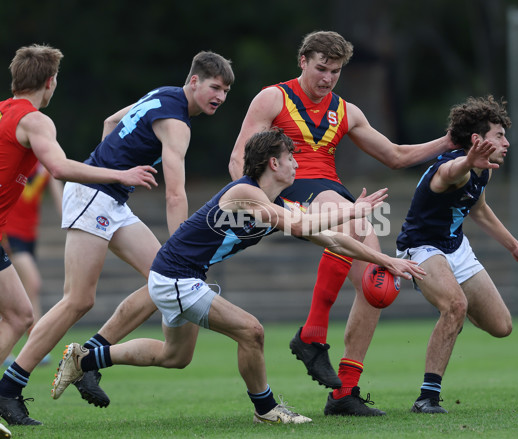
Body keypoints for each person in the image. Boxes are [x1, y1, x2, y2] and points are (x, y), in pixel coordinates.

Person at [50, 128, 425, 425]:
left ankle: (83, 360)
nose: (297, 163)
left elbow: (333, 240)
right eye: (290, 157)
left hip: (180, 277)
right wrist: (353, 210)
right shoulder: (245, 193)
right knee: (252, 330)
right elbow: (298, 222)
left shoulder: (275, 201)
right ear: (272, 164)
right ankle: (266, 409)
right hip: (177, 277)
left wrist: (385, 260)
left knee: (173, 356)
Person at [0, 47, 233, 426]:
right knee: (78, 300)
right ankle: (9, 389)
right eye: (215, 87)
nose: (220, 97)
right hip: (96, 195)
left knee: (164, 278)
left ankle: (88, 357)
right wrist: (117, 173)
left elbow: (111, 122)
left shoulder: (162, 93)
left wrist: (110, 165)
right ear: (193, 82)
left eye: (225, 91)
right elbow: (175, 194)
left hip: (109, 197)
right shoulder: (177, 123)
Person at [227, 30, 454, 416]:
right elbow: (238, 158)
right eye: (321, 68)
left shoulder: (347, 111)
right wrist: (255, 202)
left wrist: (449, 141)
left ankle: (344, 394)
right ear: (303, 61)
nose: (327, 78)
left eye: (335, 71)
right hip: (290, 191)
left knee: (378, 286)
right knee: (351, 220)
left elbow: (397, 156)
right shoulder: (273, 98)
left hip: (333, 193)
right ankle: (312, 335)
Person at [396, 95, 518, 414]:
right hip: (420, 248)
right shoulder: (452, 167)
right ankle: (427, 398)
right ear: (477, 141)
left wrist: (515, 247)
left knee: (502, 326)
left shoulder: (483, 171)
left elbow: (480, 210)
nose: (506, 142)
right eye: (499, 135)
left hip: (455, 248)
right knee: (455, 305)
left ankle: (453, 317)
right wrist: (467, 161)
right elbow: (453, 173)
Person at [1, 162, 63, 367]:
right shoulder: (14, 156)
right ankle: (31, 345)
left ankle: (33, 345)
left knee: (26, 292)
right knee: (32, 283)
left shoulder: (46, 162)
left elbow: (59, 198)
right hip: (9, 233)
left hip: (29, 235)